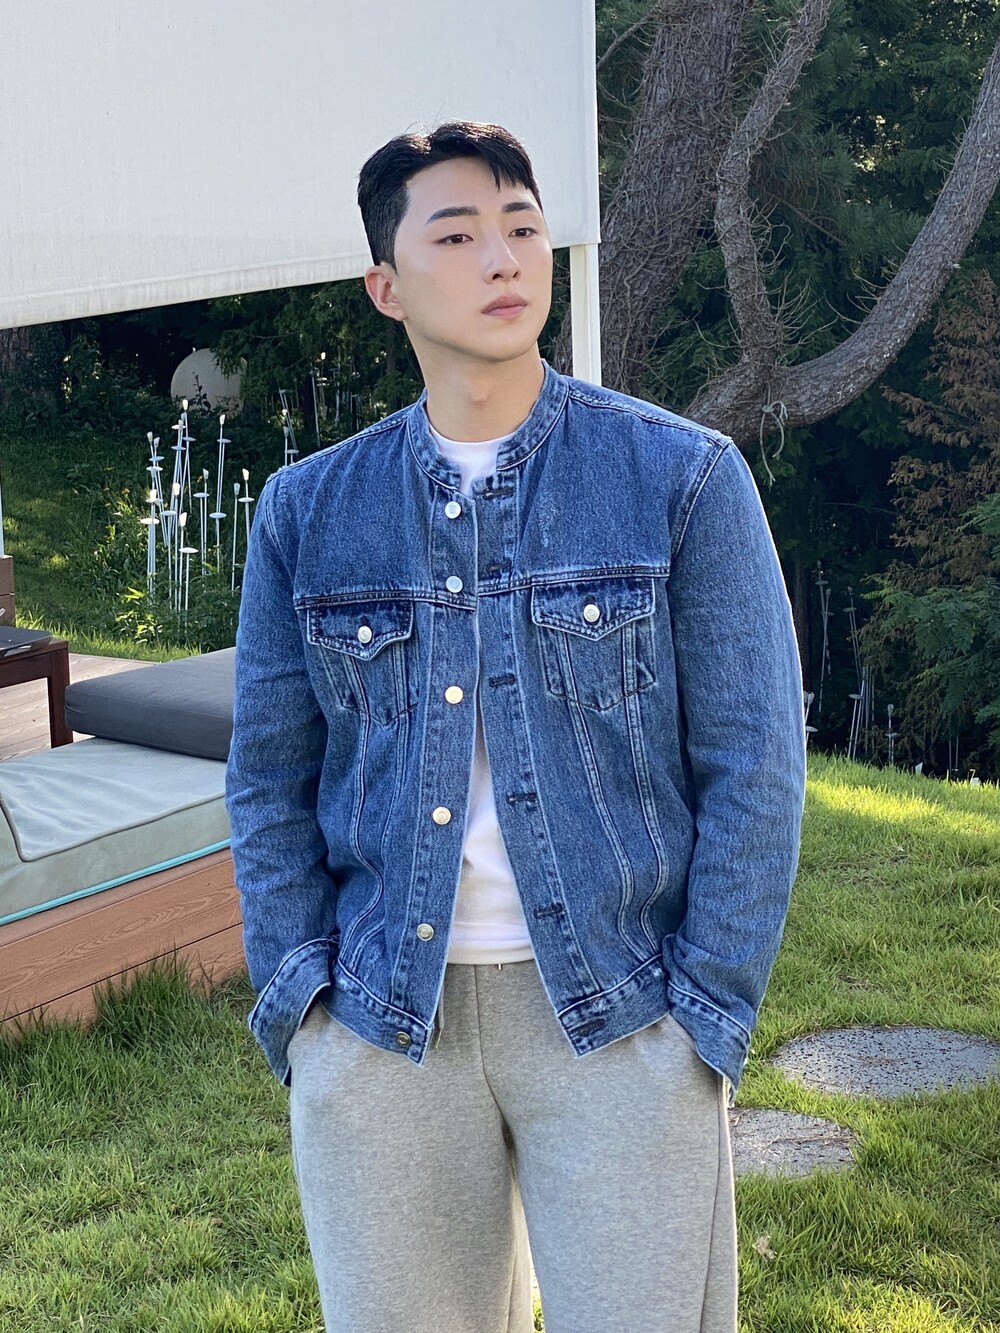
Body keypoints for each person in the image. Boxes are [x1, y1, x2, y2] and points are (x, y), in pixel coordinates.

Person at [225, 120, 806, 1333]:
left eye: (522, 228)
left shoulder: (682, 478)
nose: (502, 258)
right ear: (385, 286)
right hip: (382, 1025)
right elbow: (269, 779)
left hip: (622, 1019)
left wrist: (701, 1017)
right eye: (457, 235)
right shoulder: (306, 511)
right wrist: (306, 1011)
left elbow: (755, 766)